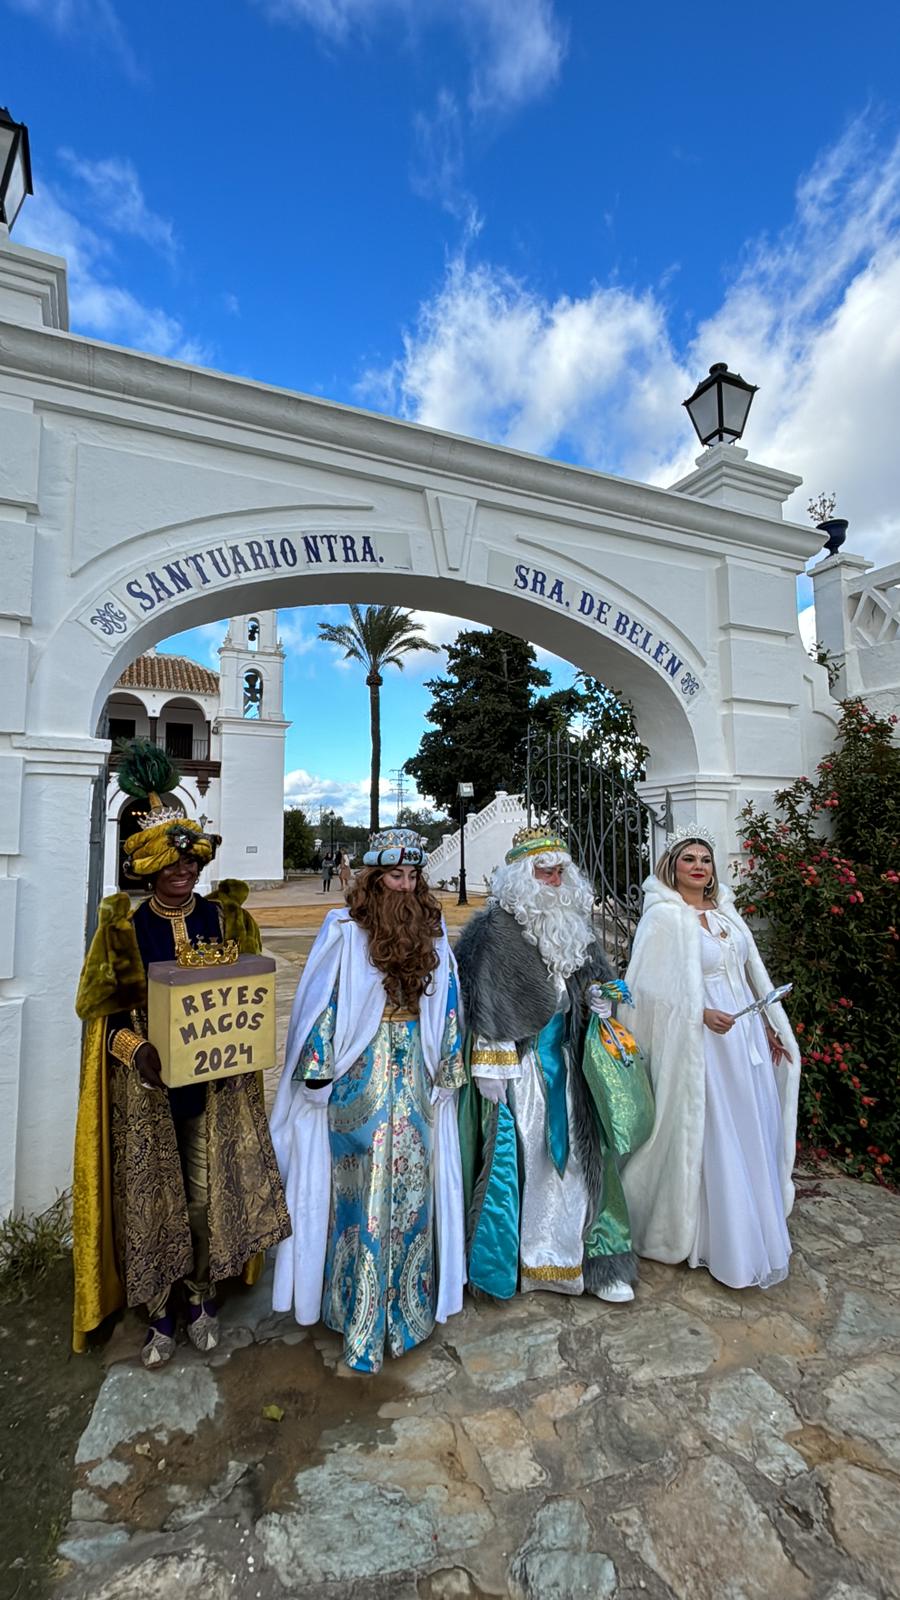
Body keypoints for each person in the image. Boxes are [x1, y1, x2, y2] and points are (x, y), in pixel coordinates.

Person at [73, 742, 291, 1366]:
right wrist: (134, 1048)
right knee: (150, 1206)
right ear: (149, 868)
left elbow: (245, 994)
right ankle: (159, 1310)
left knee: (202, 1199)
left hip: (211, 1089)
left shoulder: (228, 919)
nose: (183, 873)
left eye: (191, 863)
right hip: (146, 1093)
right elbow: (102, 1011)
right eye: (172, 865)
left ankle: (200, 1295)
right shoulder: (123, 928)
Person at [271, 828, 466, 1372]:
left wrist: (450, 1061)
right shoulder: (344, 931)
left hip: (417, 1076)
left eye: (411, 877)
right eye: (393, 877)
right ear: (374, 881)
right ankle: (355, 1313)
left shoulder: (434, 932)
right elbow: (323, 1003)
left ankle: (406, 1314)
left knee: (413, 1188)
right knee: (359, 1189)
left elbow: (449, 1000)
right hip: (358, 1075)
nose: (404, 887)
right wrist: (316, 1068)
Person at [455, 826, 640, 1304]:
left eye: (560, 871)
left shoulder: (575, 924)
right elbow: (482, 1005)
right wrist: (491, 1065)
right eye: (544, 871)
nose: (554, 880)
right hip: (523, 1070)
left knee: (583, 1159)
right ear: (521, 876)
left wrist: (597, 1000)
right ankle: (520, 1263)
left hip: (572, 1065)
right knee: (526, 1161)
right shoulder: (493, 932)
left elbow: (594, 982)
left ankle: (594, 1262)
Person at [619, 828, 800, 1291]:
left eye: (705, 859)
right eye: (688, 860)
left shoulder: (726, 914)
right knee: (710, 1129)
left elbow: (748, 976)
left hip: (742, 1037)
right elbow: (646, 991)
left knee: (747, 1123)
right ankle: (707, 1234)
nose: (699, 866)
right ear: (672, 869)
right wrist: (699, 1013)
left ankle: (748, 1221)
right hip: (701, 1041)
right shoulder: (663, 918)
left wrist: (768, 1025)